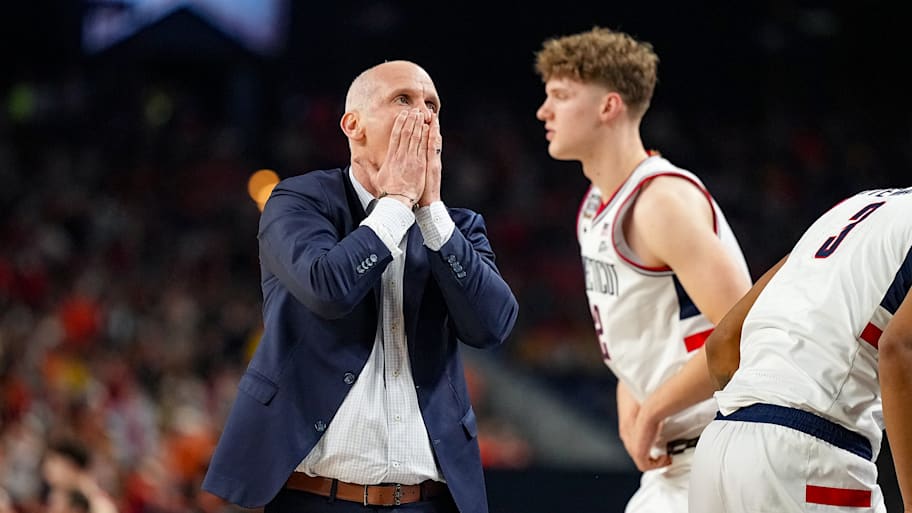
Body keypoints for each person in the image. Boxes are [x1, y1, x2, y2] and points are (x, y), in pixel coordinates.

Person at [201, 60, 519, 513]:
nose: (423, 114)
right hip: (314, 496)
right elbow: (327, 289)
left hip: (427, 501)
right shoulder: (299, 202)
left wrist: (429, 214)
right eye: (403, 100)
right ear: (354, 126)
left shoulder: (456, 226)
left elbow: (493, 326)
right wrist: (395, 205)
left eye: (433, 105)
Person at [533, 27, 753, 512]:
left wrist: (654, 406)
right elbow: (647, 332)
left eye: (560, 96)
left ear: (608, 106)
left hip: (724, 451)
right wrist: (631, 394)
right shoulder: (596, 206)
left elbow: (747, 334)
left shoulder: (660, 202)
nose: (543, 112)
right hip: (675, 462)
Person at [690, 186, 912, 512]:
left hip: (718, 450)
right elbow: (898, 348)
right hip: (809, 453)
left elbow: (722, 342)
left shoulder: (854, 208)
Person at [41, 439, 118, 513]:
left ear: (70, 465)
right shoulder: (57, 497)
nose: (47, 470)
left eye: (54, 462)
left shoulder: (99, 504)